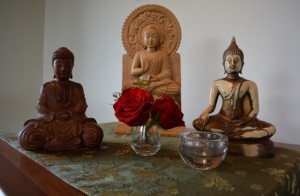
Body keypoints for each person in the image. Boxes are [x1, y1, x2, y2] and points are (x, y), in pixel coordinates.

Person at [19, 47, 103, 151]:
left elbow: (82, 105)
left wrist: (71, 113)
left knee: (94, 134)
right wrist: (53, 113)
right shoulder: (46, 87)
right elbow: (40, 106)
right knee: (27, 136)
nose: (63, 68)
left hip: (73, 121)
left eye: (67, 65)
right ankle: (49, 139)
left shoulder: (77, 87)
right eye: (58, 65)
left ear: (72, 67)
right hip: (51, 122)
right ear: (52, 67)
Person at [193, 37, 276, 141]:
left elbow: (255, 109)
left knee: (271, 128)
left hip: (243, 122)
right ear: (223, 64)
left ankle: (229, 135)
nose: (232, 63)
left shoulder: (250, 84)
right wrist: (204, 113)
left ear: (242, 64)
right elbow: (211, 105)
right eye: (229, 60)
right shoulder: (216, 83)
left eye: (236, 60)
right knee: (197, 123)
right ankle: (238, 135)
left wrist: (245, 120)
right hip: (222, 120)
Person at [123, 24, 180, 103]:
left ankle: (148, 95)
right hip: (143, 82)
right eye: (148, 36)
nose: (150, 39)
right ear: (143, 39)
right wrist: (142, 70)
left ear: (159, 39)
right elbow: (133, 72)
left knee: (176, 88)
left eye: (154, 36)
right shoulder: (139, 54)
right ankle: (154, 96)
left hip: (157, 82)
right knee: (126, 86)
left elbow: (167, 72)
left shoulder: (162, 54)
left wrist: (157, 78)